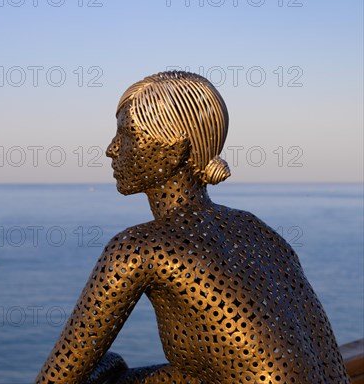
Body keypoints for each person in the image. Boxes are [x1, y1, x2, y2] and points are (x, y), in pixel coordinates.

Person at [35, 71, 350, 384]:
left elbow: (57, 378)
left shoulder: (139, 248)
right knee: (114, 369)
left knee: (102, 371)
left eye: (128, 134)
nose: (112, 148)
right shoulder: (256, 230)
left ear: (174, 149)